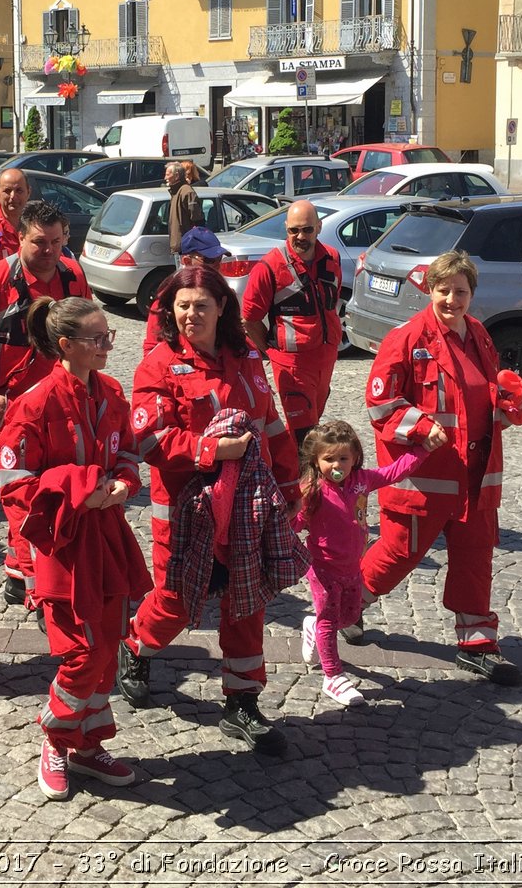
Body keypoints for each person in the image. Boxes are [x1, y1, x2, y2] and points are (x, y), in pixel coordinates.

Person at [117, 264, 301, 753]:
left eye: (201, 305)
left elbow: (273, 427)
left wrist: (291, 486)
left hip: (247, 509)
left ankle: (242, 701)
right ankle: (136, 646)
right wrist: (210, 451)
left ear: (222, 308)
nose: (190, 315)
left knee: (248, 600)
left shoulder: (248, 359)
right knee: (177, 602)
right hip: (185, 510)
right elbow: (149, 440)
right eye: (181, 306)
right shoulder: (156, 364)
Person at [0, 296, 151, 801]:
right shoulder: (35, 403)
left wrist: (124, 484)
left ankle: (87, 743)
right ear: (66, 345)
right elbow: (14, 484)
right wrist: (80, 489)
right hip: (61, 546)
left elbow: (127, 452)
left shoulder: (108, 391)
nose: (108, 345)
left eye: (109, 336)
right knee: (81, 651)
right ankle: (55, 737)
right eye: (97, 338)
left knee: (108, 646)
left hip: (106, 537)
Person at [357, 250, 522, 683]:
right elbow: (381, 405)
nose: (452, 299)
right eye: (443, 290)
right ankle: (343, 606)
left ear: (472, 293)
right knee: (398, 552)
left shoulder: (479, 335)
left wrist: (512, 408)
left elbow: (486, 398)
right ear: (429, 290)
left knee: (476, 557)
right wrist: (419, 428)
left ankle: (477, 643)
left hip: (475, 474)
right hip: (425, 477)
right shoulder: (406, 338)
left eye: (461, 291)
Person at [0, 199, 92, 611]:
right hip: (10, 413)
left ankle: (21, 574)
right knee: (21, 500)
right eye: (39, 242)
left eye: (57, 242)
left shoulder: (73, 277)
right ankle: (40, 589)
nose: (49, 251)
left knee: (57, 494)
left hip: (61, 409)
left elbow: (88, 332)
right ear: (19, 238)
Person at [296, 419, 423, 706]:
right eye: (329, 459)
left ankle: (312, 626)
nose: (336, 465)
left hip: (353, 566)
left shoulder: (362, 481)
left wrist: (422, 451)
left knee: (350, 617)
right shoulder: (312, 490)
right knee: (329, 622)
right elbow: (295, 521)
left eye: (343, 458)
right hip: (324, 568)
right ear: (316, 461)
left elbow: (394, 472)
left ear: (355, 458)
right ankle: (333, 676)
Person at [242, 199, 342, 444]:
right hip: (292, 365)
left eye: (307, 229)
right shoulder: (270, 266)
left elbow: (331, 304)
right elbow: (249, 319)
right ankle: (301, 480)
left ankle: (300, 476)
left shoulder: (332, 257)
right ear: (285, 228)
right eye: (293, 230)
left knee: (313, 423)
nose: (300, 236)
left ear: (318, 227)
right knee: (304, 434)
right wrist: (271, 352)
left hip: (326, 358)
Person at [141, 226, 227, 355]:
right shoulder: (167, 298)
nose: (217, 265)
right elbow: (151, 349)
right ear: (187, 261)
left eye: (219, 258)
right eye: (209, 260)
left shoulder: (223, 293)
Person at [165, 161, 202, 257]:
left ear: (176, 176)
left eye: (167, 175)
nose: (165, 178)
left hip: (186, 247)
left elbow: (197, 219)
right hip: (179, 246)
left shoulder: (186, 192)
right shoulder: (176, 192)